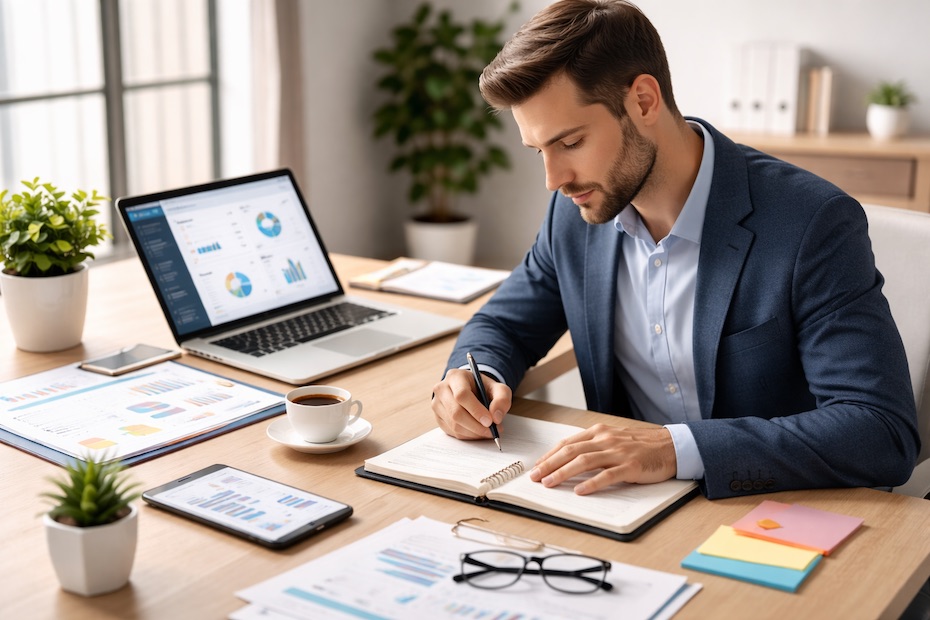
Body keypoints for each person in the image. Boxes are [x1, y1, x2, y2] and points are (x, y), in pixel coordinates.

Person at [429, 0, 919, 500]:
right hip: (620, 506)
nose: (554, 180)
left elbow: (880, 430)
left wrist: (671, 450)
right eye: (539, 151)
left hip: (766, 506)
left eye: (571, 142)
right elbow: (504, 325)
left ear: (643, 101)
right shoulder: (574, 215)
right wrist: (473, 376)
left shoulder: (810, 223)